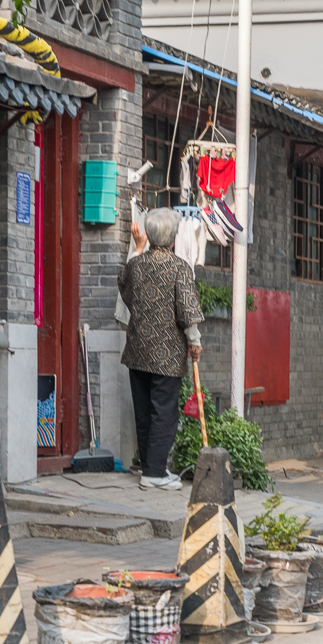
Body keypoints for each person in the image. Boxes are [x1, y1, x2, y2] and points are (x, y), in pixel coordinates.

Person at [119, 208, 205, 489]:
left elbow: (126, 291)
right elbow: (188, 311)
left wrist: (138, 248)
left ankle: (151, 469)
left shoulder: (136, 265)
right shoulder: (179, 267)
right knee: (164, 412)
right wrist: (194, 341)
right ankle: (155, 474)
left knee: (144, 412)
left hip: (137, 350)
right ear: (172, 237)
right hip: (166, 355)